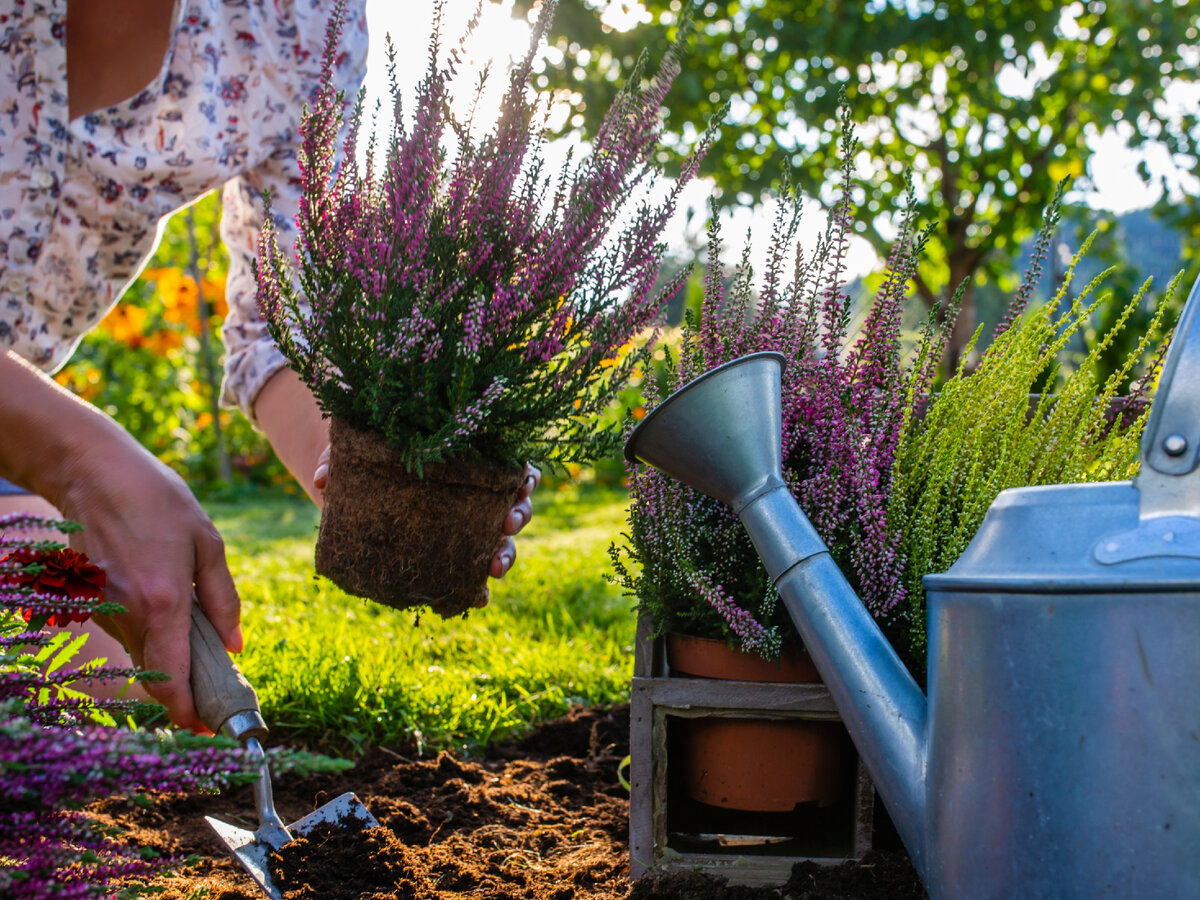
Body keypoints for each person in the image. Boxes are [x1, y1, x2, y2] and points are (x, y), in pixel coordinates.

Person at [0, 0, 538, 733]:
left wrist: (373, 472)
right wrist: (79, 461)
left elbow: (278, 328)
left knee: (112, 679)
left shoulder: (309, 26)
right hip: (29, 438)